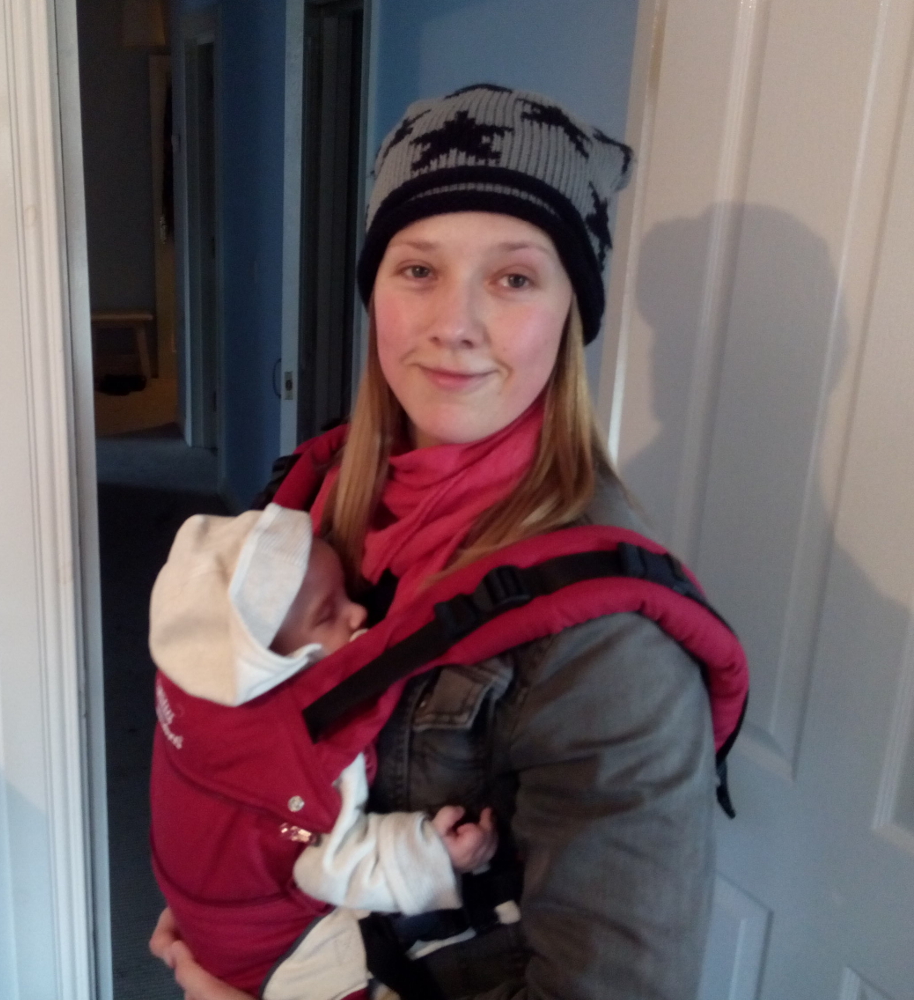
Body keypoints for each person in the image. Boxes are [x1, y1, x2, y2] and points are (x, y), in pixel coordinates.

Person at [152, 84, 720, 1000]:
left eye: (514, 278)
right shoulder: (314, 499)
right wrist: (225, 894)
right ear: (375, 289)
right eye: (418, 269)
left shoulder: (608, 644)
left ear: (570, 313)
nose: (454, 325)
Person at [149, 502, 497, 999]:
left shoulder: (192, 692)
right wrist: (433, 855)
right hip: (275, 957)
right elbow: (329, 864)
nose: (359, 613)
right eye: (328, 614)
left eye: (346, 595)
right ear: (271, 663)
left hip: (200, 910)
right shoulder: (297, 748)